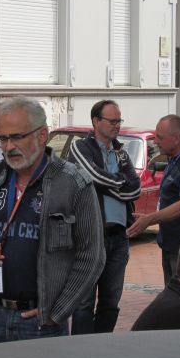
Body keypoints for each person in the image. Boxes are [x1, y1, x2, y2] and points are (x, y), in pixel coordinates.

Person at [0, 96, 106, 344]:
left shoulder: (74, 183)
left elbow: (92, 256)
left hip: (41, 324)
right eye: (2, 139)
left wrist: (57, 311)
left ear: (42, 135)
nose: (8, 147)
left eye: (17, 137)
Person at [69, 100, 141, 334]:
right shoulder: (80, 147)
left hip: (119, 237)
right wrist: (120, 182)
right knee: (84, 301)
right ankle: (81, 349)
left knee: (111, 301)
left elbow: (136, 189)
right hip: (91, 236)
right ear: (96, 121)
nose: (117, 125)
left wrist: (110, 185)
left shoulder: (121, 153)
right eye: (112, 121)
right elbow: (92, 176)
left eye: (119, 121)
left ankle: (102, 345)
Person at [128, 115, 180, 284]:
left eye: (160, 137)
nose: (156, 141)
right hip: (172, 245)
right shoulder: (175, 159)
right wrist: (147, 218)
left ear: (176, 138)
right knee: (172, 295)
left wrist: (150, 219)